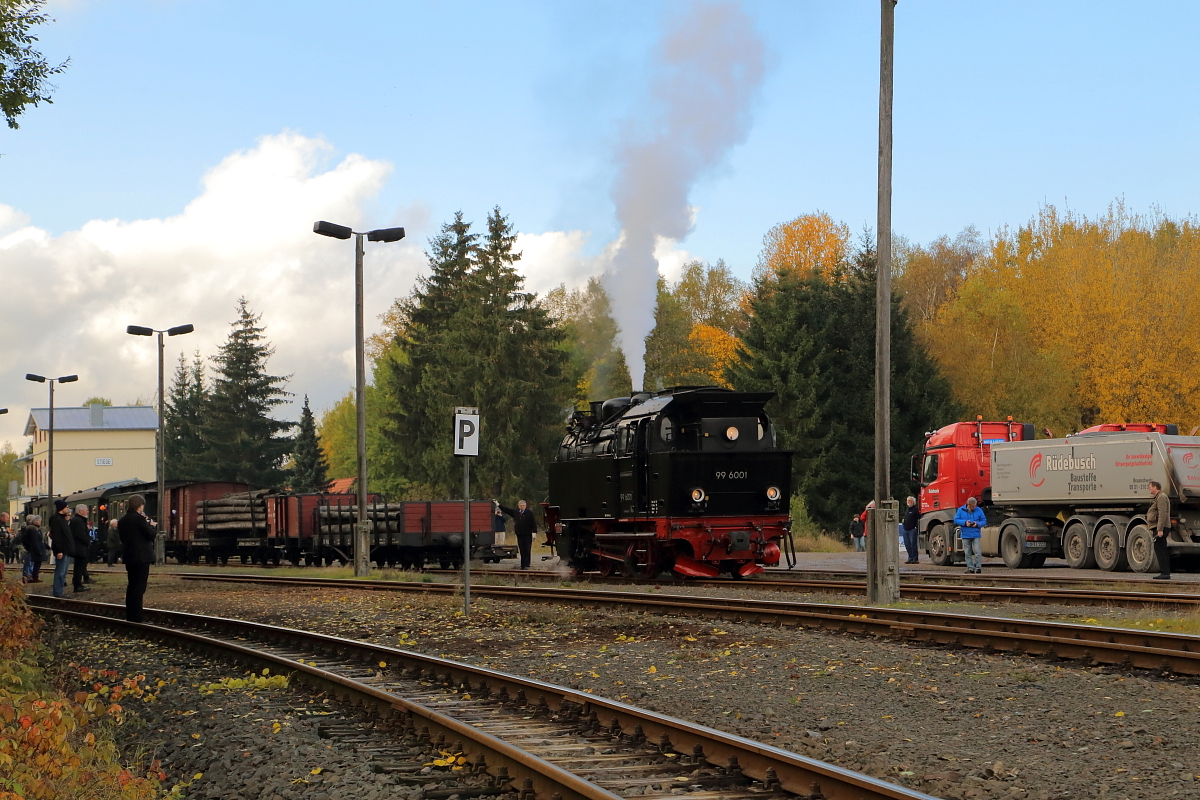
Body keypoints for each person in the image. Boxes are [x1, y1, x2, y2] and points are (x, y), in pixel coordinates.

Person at [117, 494, 157, 622]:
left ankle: (131, 614)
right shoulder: (139, 519)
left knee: (132, 586)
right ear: (139, 506)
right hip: (141, 557)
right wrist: (151, 525)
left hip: (129, 556)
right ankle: (137, 616)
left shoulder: (122, 520)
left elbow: (123, 538)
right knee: (139, 587)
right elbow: (150, 535)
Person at [498, 499, 537, 569]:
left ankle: (527, 564)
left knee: (527, 549)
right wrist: (498, 505)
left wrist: (534, 532)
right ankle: (522, 564)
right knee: (521, 549)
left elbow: (533, 523)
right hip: (519, 534)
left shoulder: (529, 513)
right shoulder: (516, 512)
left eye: (523, 505)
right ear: (518, 506)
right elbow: (507, 510)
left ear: (525, 506)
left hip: (527, 534)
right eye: (520, 505)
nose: (522, 507)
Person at [48, 499, 74, 598]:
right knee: (60, 571)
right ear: (61, 508)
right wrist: (58, 550)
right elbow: (57, 536)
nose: (68, 509)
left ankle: (60, 590)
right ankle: (57, 591)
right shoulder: (56, 520)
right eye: (66, 507)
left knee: (64, 571)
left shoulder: (62, 519)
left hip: (66, 549)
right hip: (62, 549)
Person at [954, 496, 986, 574]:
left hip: (975, 534)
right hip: (965, 534)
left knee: (977, 552)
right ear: (968, 504)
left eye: (975, 506)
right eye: (973, 506)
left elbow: (984, 521)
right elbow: (956, 520)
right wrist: (965, 523)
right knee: (967, 553)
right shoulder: (960, 510)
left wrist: (977, 524)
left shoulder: (979, 510)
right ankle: (970, 568)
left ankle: (978, 568)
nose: (974, 508)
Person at [1147, 480, 1171, 580]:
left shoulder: (1161, 497)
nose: (1149, 488)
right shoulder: (1159, 497)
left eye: (1150, 487)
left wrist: (1159, 529)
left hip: (1161, 527)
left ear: (1155, 487)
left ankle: (1164, 573)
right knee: (1162, 548)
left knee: (1159, 549)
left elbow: (1162, 514)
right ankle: (1165, 572)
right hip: (1160, 527)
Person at [69, 504, 92, 593]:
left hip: (79, 547)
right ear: (80, 511)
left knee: (80, 566)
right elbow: (80, 534)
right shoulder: (78, 521)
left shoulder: (77, 520)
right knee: (79, 566)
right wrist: (88, 541)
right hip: (80, 547)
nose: (87, 511)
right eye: (86, 510)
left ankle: (77, 583)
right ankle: (77, 585)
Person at [20, 515, 46, 583]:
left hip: (30, 548)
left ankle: (30, 576)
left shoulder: (31, 529)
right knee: (29, 563)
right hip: (30, 549)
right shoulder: (32, 530)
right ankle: (28, 577)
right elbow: (33, 541)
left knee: (31, 563)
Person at [902, 496, 920, 564]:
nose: (908, 502)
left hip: (912, 529)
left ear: (913, 502)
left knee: (913, 544)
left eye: (910, 501)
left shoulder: (915, 509)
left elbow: (918, 518)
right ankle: (910, 557)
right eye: (907, 501)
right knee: (907, 544)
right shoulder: (907, 509)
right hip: (905, 529)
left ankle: (915, 558)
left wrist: (916, 526)